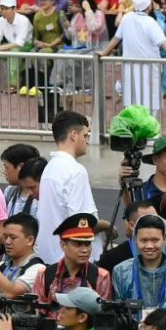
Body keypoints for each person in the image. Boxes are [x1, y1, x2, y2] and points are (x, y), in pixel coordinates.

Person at [33, 110, 99, 264]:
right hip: (69, 262)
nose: (87, 141)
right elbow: (82, 221)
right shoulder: (76, 171)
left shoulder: (50, 168)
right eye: (85, 135)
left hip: (48, 258)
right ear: (74, 135)